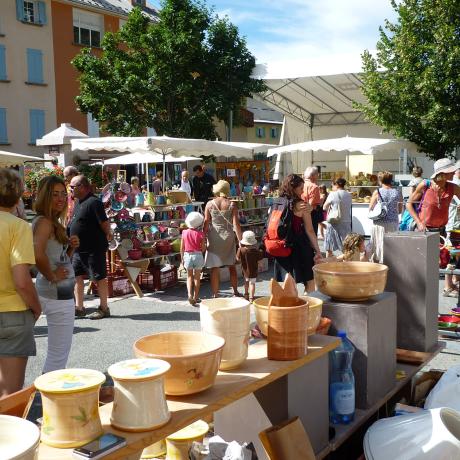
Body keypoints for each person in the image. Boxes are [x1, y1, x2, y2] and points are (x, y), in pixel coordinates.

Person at [0, 169, 41, 397]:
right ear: (17, 197)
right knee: (10, 394)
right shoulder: (18, 227)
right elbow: (22, 281)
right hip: (12, 313)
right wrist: (37, 307)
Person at [32, 176, 80, 373]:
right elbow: (37, 253)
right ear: (45, 196)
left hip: (55, 292)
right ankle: (47, 399)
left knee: (57, 355)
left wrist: (70, 249)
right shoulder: (44, 222)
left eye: (63, 194)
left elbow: (57, 259)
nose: (61, 198)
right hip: (57, 294)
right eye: (54, 194)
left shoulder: (49, 221)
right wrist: (52, 276)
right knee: (58, 356)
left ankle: (45, 397)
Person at [407, 158, 460, 296]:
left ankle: (443, 289)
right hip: (423, 232)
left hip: (441, 232)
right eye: (450, 171)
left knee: (443, 262)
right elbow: (409, 204)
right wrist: (419, 222)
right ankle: (417, 293)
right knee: (422, 265)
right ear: (442, 173)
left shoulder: (453, 187)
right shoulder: (425, 185)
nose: (454, 172)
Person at [69, 175, 113, 319]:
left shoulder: (94, 202)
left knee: (99, 278)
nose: (70, 189)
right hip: (78, 250)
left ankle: (104, 308)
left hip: (93, 248)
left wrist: (109, 235)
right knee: (77, 277)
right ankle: (79, 307)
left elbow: (104, 222)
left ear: (82, 186)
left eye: (72, 187)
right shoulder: (78, 202)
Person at [273, 174, 322, 293]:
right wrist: (318, 250)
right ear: (293, 188)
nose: (302, 191)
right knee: (309, 282)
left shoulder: (278, 202)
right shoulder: (301, 205)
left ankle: (290, 308)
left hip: (282, 246)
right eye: (301, 188)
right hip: (300, 248)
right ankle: (307, 307)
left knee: (287, 283)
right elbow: (310, 230)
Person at [204, 180, 242, 297]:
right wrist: (241, 241)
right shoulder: (232, 204)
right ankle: (235, 291)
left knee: (215, 268)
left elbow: (206, 221)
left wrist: (203, 236)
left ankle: (215, 294)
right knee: (232, 265)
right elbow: (236, 224)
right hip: (228, 236)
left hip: (214, 236)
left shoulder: (209, 204)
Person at [368, 171, 403, 263]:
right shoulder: (398, 192)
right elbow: (400, 210)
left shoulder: (377, 192)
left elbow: (370, 208)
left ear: (380, 180)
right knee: (392, 248)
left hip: (379, 223)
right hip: (392, 223)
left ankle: (378, 268)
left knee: (377, 247)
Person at [181, 212, 206, 306]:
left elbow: (182, 247)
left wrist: (182, 258)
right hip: (198, 255)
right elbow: (203, 248)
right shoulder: (201, 234)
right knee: (197, 278)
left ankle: (189, 295)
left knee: (189, 276)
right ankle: (196, 297)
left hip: (187, 255)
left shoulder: (184, 232)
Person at [323, 178, 352, 257]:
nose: (332, 187)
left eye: (332, 185)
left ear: (336, 185)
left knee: (329, 248)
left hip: (334, 222)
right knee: (346, 247)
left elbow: (324, 207)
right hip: (346, 222)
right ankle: (346, 265)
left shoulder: (332, 194)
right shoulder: (349, 194)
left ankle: (328, 266)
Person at [236, 231, 264, 302]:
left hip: (245, 271)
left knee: (246, 282)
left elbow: (237, 259)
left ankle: (246, 295)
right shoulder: (257, 252)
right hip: (253, 271)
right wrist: (261, 267)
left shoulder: (240, 250)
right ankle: (251, 298)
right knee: (252, 283)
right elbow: (260, 262)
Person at [302, 166, 322, 236]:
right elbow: (311, 205)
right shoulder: (314, 187)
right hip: (311, 215)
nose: (318, 176)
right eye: (317, 174)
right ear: (312, 175)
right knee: (311, 237)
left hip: (299, 214)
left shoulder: (301, 185)